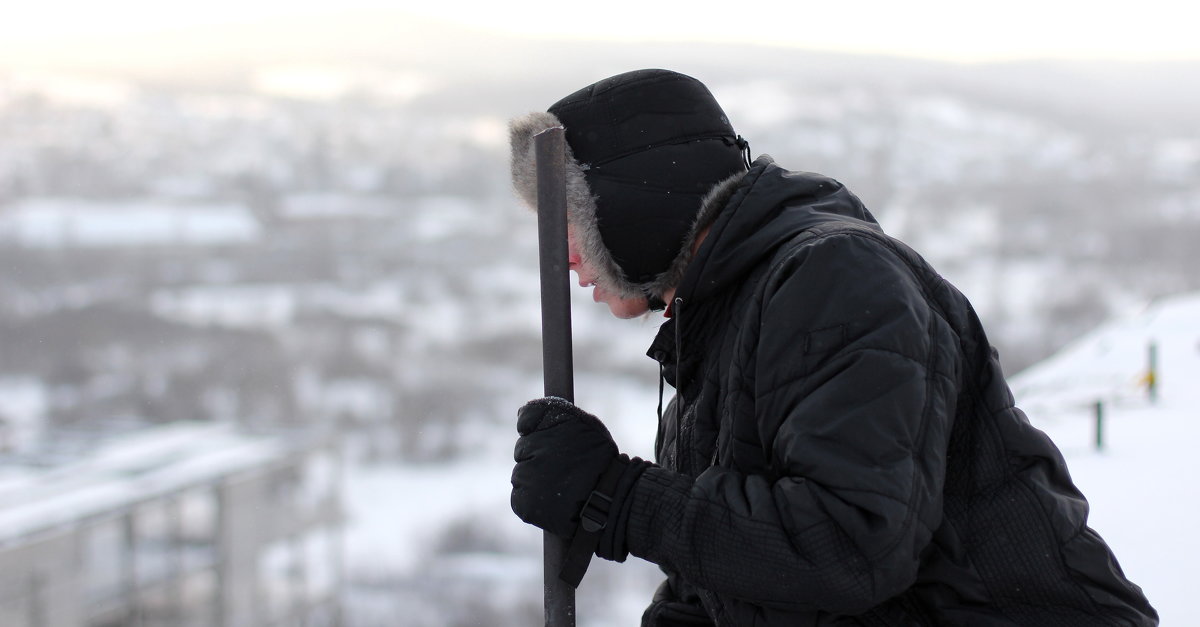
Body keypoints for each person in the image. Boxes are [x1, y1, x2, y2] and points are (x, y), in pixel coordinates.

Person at [507, 69, 1157, 626]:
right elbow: (725, 580)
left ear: (633, 201)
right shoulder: (720, 327)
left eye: (570, 220)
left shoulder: (832, 280)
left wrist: (614, 495)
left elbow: (848, 544)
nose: (565, 257)